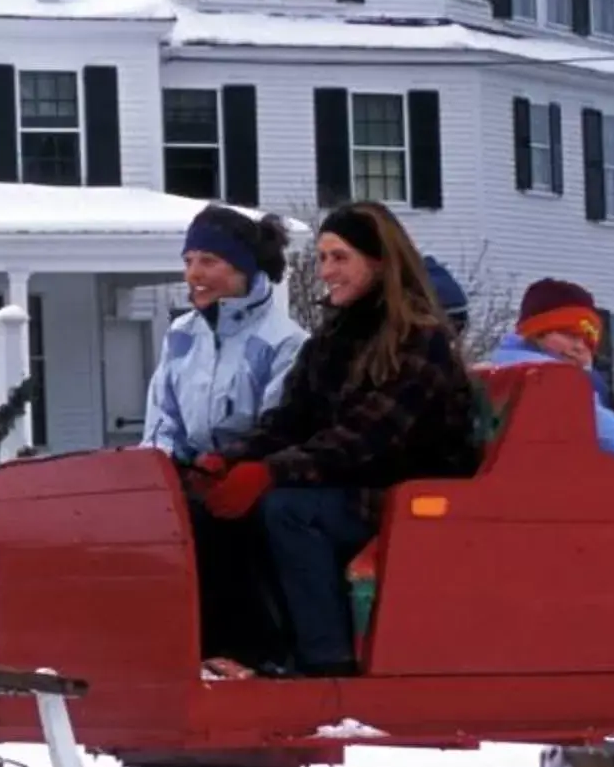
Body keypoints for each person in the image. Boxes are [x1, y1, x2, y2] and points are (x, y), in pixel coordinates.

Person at [193, 202, 480, 675]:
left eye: (340, 258)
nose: (327, 271)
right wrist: (227, 461)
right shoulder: (330, 341)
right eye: (323, 258)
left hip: (407, 494)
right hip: (344, 484)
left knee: (287, 509)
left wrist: (270, 473)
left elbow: (369, 438)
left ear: (380, 261)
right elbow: (289, 420)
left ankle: (326, 661)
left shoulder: (419, 340)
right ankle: (249, 648)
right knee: (217, 507)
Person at [141, 205, 305, 464]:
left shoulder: (285, 342)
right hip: (187, 485)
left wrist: (224, 466)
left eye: (208, 261)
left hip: (254, 488)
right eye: (188, 261)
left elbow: (277, 435)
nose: (193, 273)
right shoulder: (181, 334)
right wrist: (161, 468)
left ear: (245, 269)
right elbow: (163, 423)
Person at [480, 278, 614, 457]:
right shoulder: (549, 377)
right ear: (536, 334)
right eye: (569, 335)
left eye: (588, 341)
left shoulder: (499, 368)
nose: (579, 347)